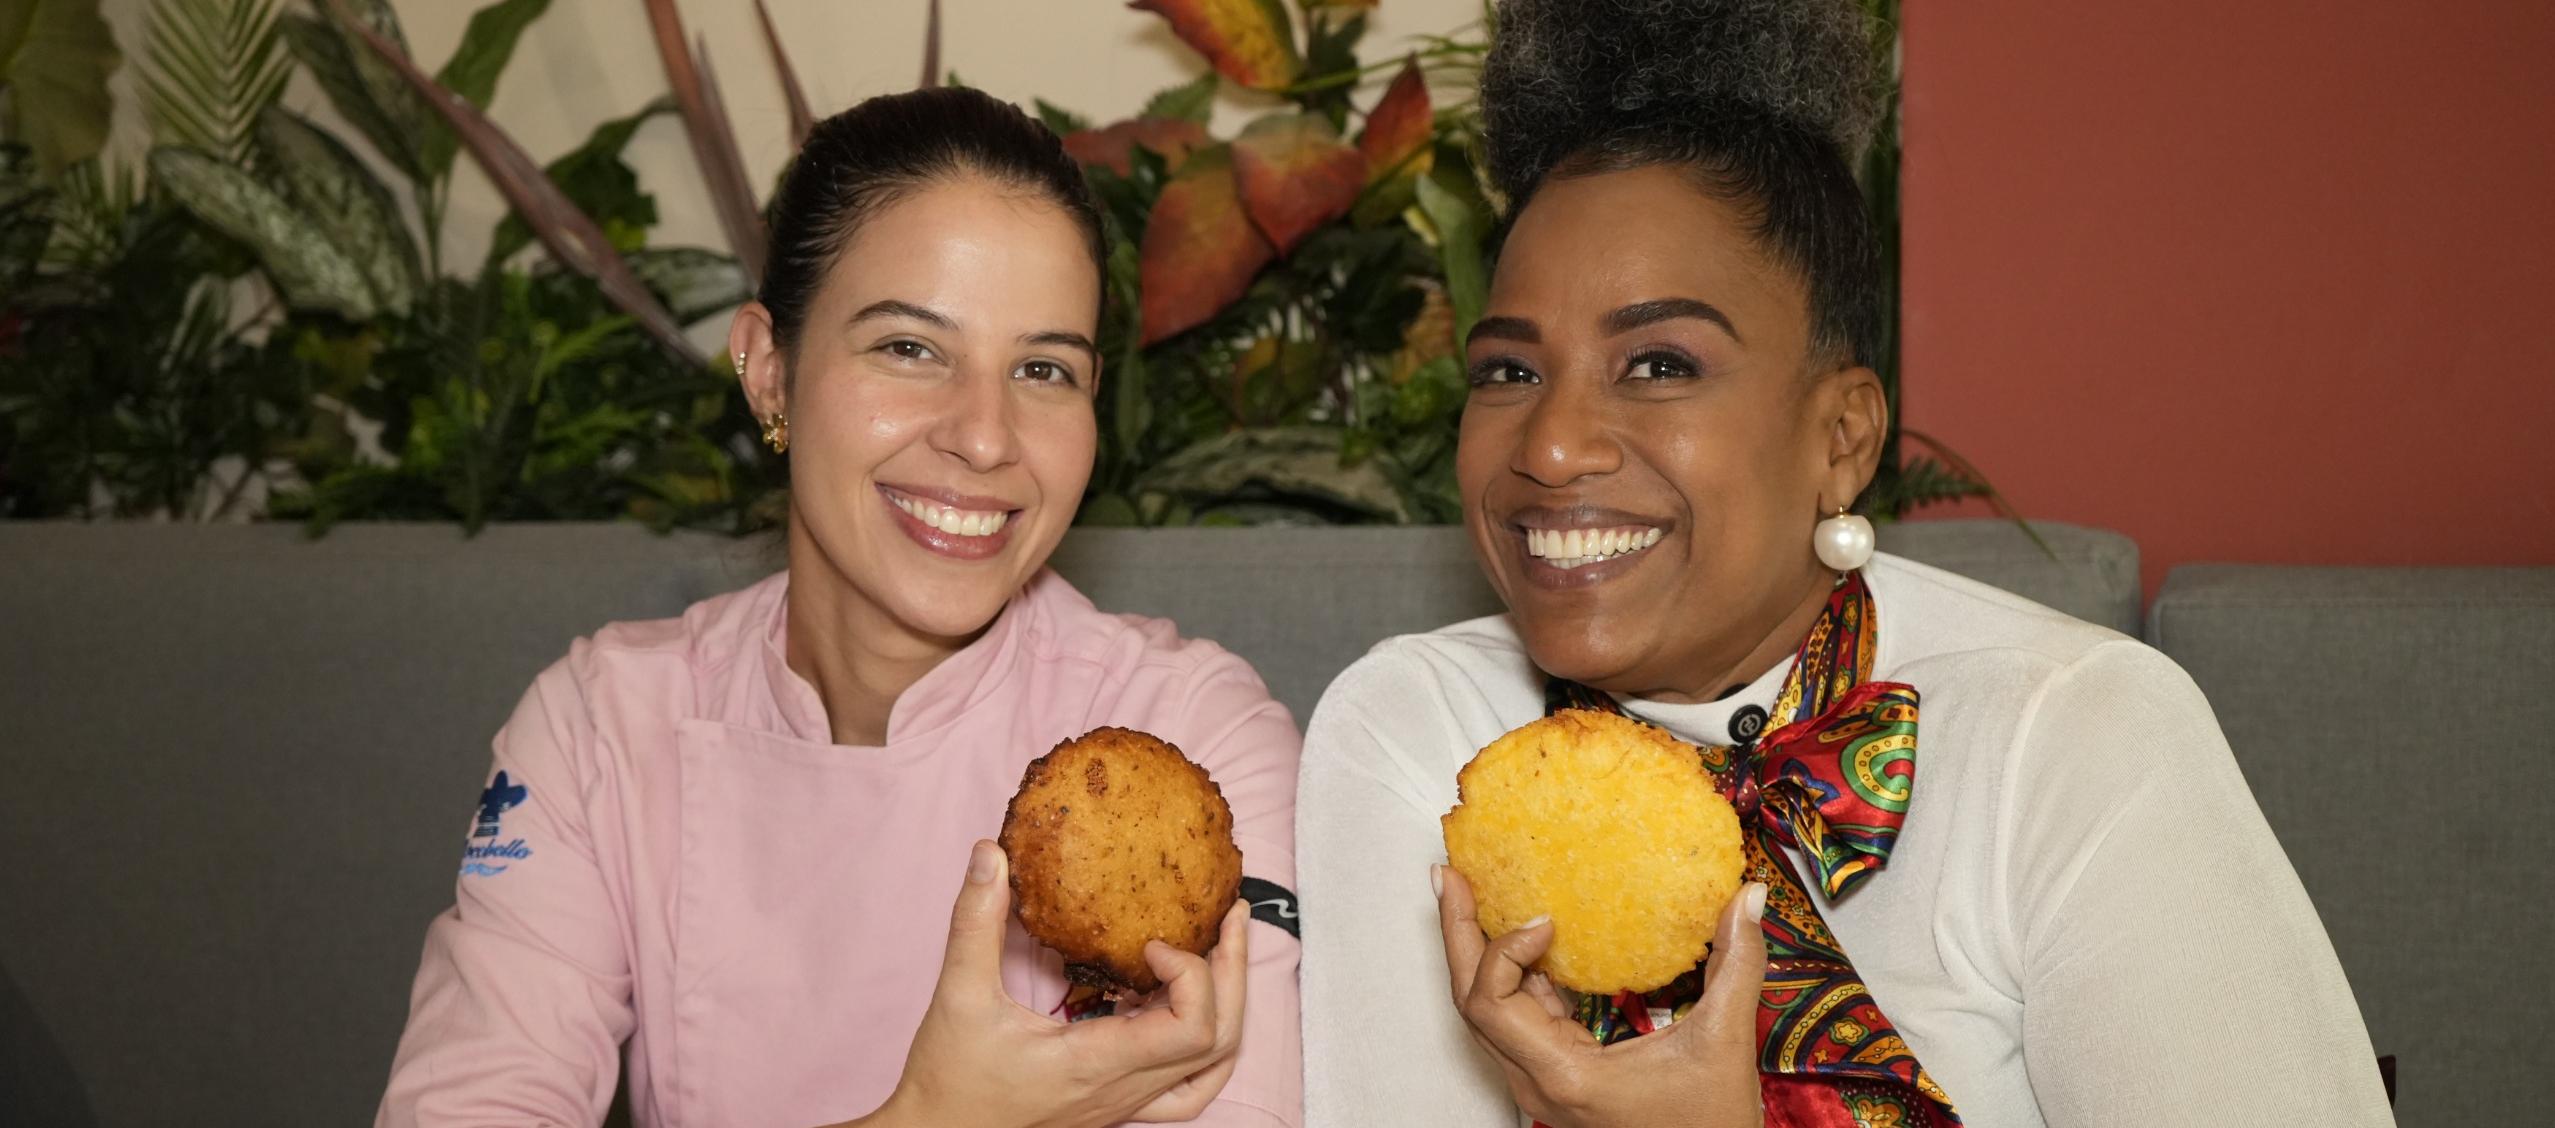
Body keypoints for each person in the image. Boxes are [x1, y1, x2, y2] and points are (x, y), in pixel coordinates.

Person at [1294, 2, 2391, 1126]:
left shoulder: (2068, 736)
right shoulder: (1415, 737)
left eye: (1659, 362)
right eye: (1508, 373)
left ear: (1842, 439)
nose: (1553, 443)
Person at [378, 87, 1301, 1128]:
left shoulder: (1194, 743)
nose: (986, 436)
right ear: (769, 370)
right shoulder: (601, 729)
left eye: (1043, 368)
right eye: (909, 348)